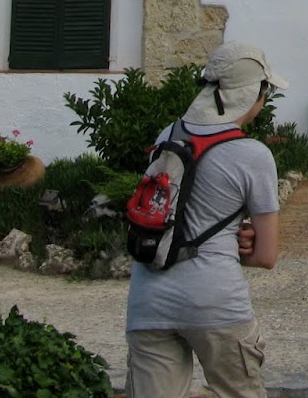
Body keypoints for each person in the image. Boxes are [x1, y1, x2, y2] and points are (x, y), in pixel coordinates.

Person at [124, 41, 286, 398]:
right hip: (215, 299)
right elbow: (266, 256)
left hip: (148, 298)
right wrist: (234, 243)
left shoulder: (167, 135)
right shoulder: (253, 155)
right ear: (255, 94)